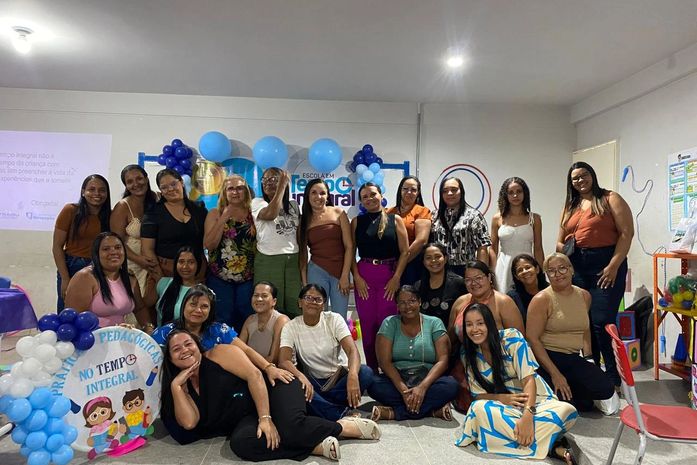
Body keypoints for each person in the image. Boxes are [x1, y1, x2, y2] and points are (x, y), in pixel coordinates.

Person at [160, 329, 381, 462]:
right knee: (242, 444)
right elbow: (189, 422)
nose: (184, 350)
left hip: (275, 386)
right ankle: (314, 445)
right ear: (169, 358)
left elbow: (255, 375)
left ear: (198, 346)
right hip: (248, 416)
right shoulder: (178, 385)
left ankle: (342, 427)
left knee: (291, 426)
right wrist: (177, 386)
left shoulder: (218, 353)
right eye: (176, 349)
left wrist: (265, 418)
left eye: (188, 344)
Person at [456, 303, 578, 464]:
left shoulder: (512, 338)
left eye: (480, 323)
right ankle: (551, 447)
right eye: (469, 324)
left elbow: (529, 380)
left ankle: (512, 438)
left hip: (536, 402)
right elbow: (477, 396)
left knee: (566, 410)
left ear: (489, 323)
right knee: (478, 409)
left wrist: (528, 416)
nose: (475, 329)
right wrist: (501, 398)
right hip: (505, 407)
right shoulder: (467, 353)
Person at [557, 161, 633, 387]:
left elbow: (626, 233)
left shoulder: (610, 198)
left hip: (606, 266)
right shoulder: (571, 205)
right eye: (575, 178)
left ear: (592, 175)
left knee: (602, 321)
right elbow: (559, 242)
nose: (580, 180)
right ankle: (595, 373)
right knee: (586, 323)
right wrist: (566, 250)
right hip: (578, 267)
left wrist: (613, 266)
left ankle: (613, 375)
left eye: (584, 175)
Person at [151, 283, 296, 387]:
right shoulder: (165, 332)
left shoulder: (219, 330)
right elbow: (145, 357)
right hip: (175, 388)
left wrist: (268, 368)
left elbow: (245, 350)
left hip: (216, 389)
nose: (198, 310)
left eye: (204, 306)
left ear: (211, 310)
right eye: (193, 304)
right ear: (184, 306)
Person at [526, 253, 617, 414]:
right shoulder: (542, 299)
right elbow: (533, 339)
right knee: (567, 408)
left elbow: (585, 329)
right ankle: (557, 390)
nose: (558, 274)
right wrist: (555, 374)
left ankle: (568, 391)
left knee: (606, 388)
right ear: (547, 275)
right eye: (551, 271)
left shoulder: (584, 296)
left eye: (562, 268)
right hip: (547, 358)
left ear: (571, 270)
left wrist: (589, 358)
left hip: (572, 357)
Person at [279, 284, 375, 421]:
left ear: (323, 305)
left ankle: (323, 408)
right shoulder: (290, 327)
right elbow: (284, 361)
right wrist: (301, 376)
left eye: (318, 299)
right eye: (308, 298)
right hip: (314, 383)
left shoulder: (334, 319)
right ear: (300, 302)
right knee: (296, 385)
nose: (312, 302)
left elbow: (352, 350)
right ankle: (341, 414)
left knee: (366, 373)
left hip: (338, 381)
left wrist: (353, 375)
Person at [369, 285, 458, 421]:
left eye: (412, 301)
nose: (407, 306)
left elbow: (443, 361)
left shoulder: (434, 323)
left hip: (427, 379)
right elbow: (384, 362)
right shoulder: (389, 323)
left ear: (419, 301)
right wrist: (404, 391)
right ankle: (431, 411)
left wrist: (422, 388)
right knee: (372, 383)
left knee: (451, 385)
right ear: (397, 306)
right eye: (402, 302)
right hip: (398, 380)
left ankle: (394, 413)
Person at [351, 183, 409, 369]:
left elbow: (405, 252)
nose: (370, 199)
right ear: (361, 201)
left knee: (388, 324)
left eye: (373, 194)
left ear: (381, 195)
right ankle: (372, 371)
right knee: (368, 325)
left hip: (389, 277)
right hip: (364, 277)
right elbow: (350, 252)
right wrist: (356, 277)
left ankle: (390, 369)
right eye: (365, 197)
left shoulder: (395, 219)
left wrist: (396, 278)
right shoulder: (357, 222)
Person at [65, 232, 151, 330]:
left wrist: (148, 327)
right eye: (106, 249)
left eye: (118, 247)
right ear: (96, 254)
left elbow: (140, 309)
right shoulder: (85, 277)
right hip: (92, 337)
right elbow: (73, 320)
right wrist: (109, 330)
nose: (113, 252)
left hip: (119, 336)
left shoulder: (130, 278)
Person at [204, 174, 257, 330]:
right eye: (231, 189)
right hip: (220, 277)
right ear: (224, 192)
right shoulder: (215, 213)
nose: (235, 192)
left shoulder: (253, 213)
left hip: (247, 278)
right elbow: (209, 245)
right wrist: (224, 217)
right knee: (222, 318)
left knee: (247, 318)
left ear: (246, 191)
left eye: (240, 188)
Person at [53, 174, 111, 311]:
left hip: (101, 268)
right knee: (69, 312)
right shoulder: (70, 210)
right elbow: (57, 246)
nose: (97, 193)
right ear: (83, 192)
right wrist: (65, 278)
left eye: (102, 190)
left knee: (97, 311)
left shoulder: (111, 215)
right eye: (92, 189)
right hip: (73, 266)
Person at [297, 179, 353, 319]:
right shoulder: (303, 221)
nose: (318, 196)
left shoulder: (339, 213)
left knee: (339, 317)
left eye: (322, 193)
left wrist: (345, 275)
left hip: (340, 272)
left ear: (328, 196)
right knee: (317, 316)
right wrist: (305, 284)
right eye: (314, 193)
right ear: (307, 196)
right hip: (316, 271)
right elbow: (303, 255)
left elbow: (349, 246)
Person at [252, 168, 302, 317]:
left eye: (273, 179)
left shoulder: (293, 205)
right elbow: (270, 214)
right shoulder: (257, 202)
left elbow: (298, 234)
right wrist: (281, 187)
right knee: (270, 307)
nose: (268, 183)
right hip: (268, 259)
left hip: (293, 259)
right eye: (265, 179)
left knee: (295, 305)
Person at [141, 168, 207, 280]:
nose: (170, 189)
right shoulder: (153, 213)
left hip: (198, 271)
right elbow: (147, 250)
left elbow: (208, 240)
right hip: (166, 272)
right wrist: (160, 279)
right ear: (160, 191)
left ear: (181, 182)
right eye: (164, 187)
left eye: (173, 184)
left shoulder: (199, 209)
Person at [449, 260, 525, 346]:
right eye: (468, 280)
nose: (473, 283)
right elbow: (451, 339)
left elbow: (519, 340)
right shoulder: (460, 302)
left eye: (478, 278)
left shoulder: (503, 302)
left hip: (499, 353)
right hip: (466, 353)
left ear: (489, 277)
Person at [110, 164, 159, 296]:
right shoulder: (122, 207)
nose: (136, 184)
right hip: (133, 265)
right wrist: (139, 260)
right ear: (126, 186)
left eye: (139, 178)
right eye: (130, 181)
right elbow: (116, 242)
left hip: (156, 262)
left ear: (146, 178)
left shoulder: (159, 198)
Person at [490, 177, 544, 293]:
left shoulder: (535, 218)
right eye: (511, 192)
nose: (515, 195)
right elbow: (493, 249)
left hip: (527, 267)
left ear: (525, 193)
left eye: (519, 191)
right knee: (504, 298)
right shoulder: (497, 218)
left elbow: (538, 248)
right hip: (503, 267)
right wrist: (492, 272)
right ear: (505, 195)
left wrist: (541, 273)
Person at [430, 177, 491, 276]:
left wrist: (481, 274)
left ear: (461, 192)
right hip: (439, 269)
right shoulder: (434, 216)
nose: (449, 193)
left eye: (454, 190)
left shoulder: (474, 216)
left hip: (466, 270)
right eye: (445, 191)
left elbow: (482, 248)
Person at [386, 176, 431, 285]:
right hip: (389, 263)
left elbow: (421, 241)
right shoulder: (389, 212)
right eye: (405, 189)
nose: (409, 192)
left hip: (412, 263)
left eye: (413, 190)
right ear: (400, 190)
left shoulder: (422, 211)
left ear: (418, 193)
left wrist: (400, 263)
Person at [145, 246, 203, 326]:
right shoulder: (164, 283)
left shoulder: (202, 292)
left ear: (198, 264)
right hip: (161, 332)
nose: (185, 266)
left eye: (191, 262)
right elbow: (144, 305)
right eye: (181, 262)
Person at [414, 242, 467, 328]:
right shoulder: (418, 286)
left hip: (452, 333)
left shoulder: (459, 283)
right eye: (428, 258)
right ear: (423, 262)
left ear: (445, 259)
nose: (433, 261)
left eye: (437, 256)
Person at [239, 281, 290, 363]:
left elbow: (274, 358)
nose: (259, 299)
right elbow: (239, 351)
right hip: (252, 367)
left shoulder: (281, 320)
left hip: (277, 369)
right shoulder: (249, 320)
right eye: (256, 295)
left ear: (274, 301)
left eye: (264, 296)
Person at [507, 253, 549, 323]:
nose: (525, 271)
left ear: (537, 269)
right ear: (516, 276)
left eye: (528, 267)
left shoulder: (550, 291)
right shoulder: (512, 298)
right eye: (520, 270)